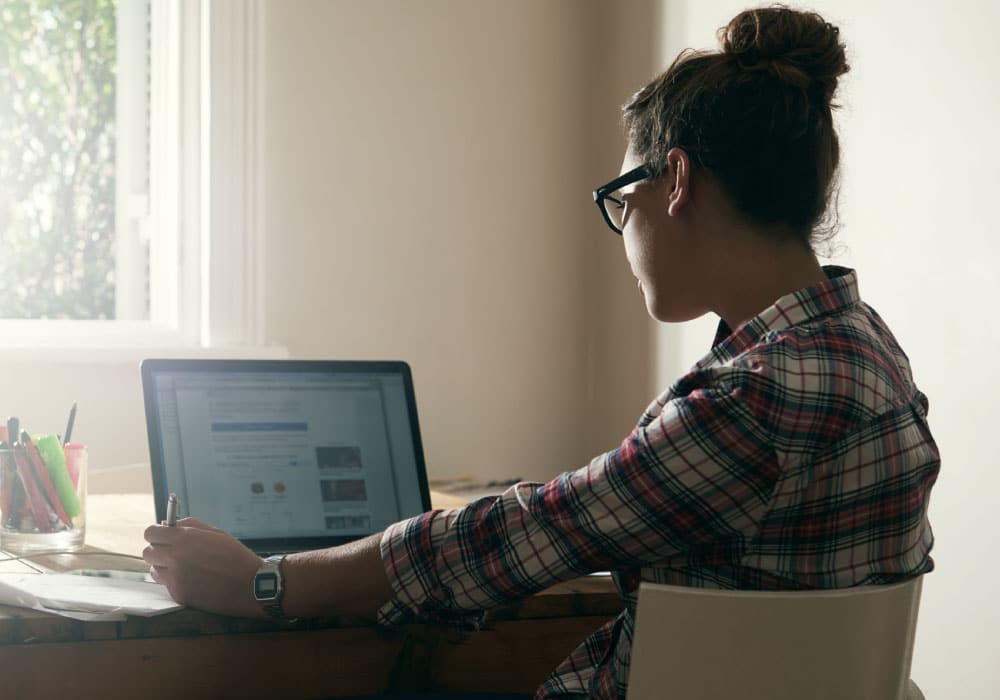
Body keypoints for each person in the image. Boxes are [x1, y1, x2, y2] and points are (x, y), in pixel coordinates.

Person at [143, 6, 940, 699]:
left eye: (622, 202)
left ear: (678, 184)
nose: (625, 236)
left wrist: (262, 582)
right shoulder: (868, 353)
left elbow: (526, 535)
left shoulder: (760, 397)